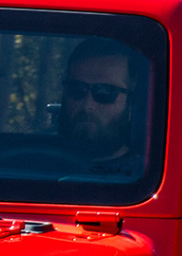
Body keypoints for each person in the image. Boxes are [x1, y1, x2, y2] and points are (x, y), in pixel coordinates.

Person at [58, 36, 146, 174]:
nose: (87, 105)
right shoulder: (33, 163)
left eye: (105, 92)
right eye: (77, 89)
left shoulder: (147, 177)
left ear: (131, 104)